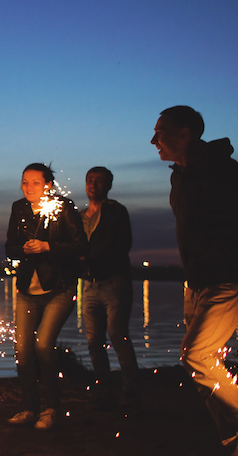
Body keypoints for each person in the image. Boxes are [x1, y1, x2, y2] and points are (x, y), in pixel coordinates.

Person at [152, 105, 238, 456]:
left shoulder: (225, 172)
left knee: (196, 355)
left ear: (184, 134)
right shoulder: (180, 176)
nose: (153, 140)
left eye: (160, 132)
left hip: (229, 279)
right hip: (197, 283)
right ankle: (234, 437)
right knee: (201, 364)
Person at [5, 163, 86, 431]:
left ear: (48, 185)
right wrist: (24, 249)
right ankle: (30, 408)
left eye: (35, 183)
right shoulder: (19, 208)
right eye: (24, 182)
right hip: (27, 290)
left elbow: (79, 245)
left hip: (59, 288)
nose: (28, 187)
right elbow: (10, 247)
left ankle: (51, 408)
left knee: (43, 346)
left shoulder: (63, 207)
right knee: (23, 352)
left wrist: (47, 246)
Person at [79, 166, 140, 412]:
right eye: (90, 180)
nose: (93, 184)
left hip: (115, 282)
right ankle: (104, 388)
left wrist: (87, 258)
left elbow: (121, 244)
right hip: (89, 285)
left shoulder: (116, 211)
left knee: (118, 337)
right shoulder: (79, 216)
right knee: (94, 341)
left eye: (99, 181)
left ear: (109, 185)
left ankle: (131, 392)